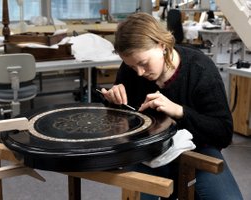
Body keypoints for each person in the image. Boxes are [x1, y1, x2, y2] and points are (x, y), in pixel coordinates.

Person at [100, 12, 243, 200]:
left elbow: (223, 133)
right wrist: (113, 103)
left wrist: (180, 112)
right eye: (133, 66)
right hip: (149, 150)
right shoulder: (131, 70)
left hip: (197, 147)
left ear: (162, 45)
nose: (140, 72)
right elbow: (123, 124)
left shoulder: (199, 69)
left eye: (143, 63)